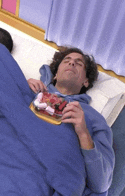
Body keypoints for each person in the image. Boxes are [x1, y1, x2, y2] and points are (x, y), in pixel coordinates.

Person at [28, 47, 115, 194]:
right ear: (55, 75)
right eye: (66, 61)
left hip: (45, 179)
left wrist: (83, 132)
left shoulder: (93, 118)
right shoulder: (31, 89)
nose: (72, 63)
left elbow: (102, 182)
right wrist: (20, 86)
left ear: (86, 81)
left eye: (79, 63)